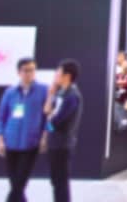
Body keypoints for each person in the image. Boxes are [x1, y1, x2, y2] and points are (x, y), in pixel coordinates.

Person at [0, 58, 49, 202]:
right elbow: (1, 117)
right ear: (19, 72)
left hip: (30, 143)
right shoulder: (10, 92)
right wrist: (0, 140)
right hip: (10, 142)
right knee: (15, 185)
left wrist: (44, 137)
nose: (30, 73)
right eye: (26, 70)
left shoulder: (44, 90)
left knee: (19, 184)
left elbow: (48, 117)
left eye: (32, 70)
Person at [43, 59, 83, 202]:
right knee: (56, 181)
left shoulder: (72, 96)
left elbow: (57, 121)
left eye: (58, 73)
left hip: (62, 144)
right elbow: (48, 112)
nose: (55, 76)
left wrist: (49, 120)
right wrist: (50, 95)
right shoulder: (61, 93)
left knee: (60, 181)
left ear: (67, 75)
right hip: (54, 142)